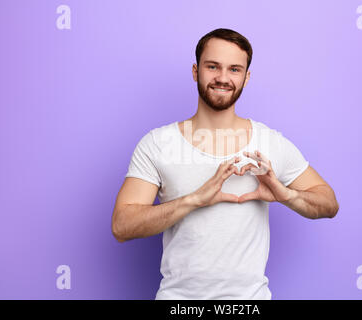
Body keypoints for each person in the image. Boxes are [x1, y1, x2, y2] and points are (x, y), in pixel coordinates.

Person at [111, 28, 339, 300]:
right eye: (212, 67)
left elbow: (328, 204)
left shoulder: (270, 143)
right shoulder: (158, 143)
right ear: (196, 71)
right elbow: (122, 227)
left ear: (246, 77)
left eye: (234, 69)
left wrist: (285, 195)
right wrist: (194, 199)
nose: (222, 78)